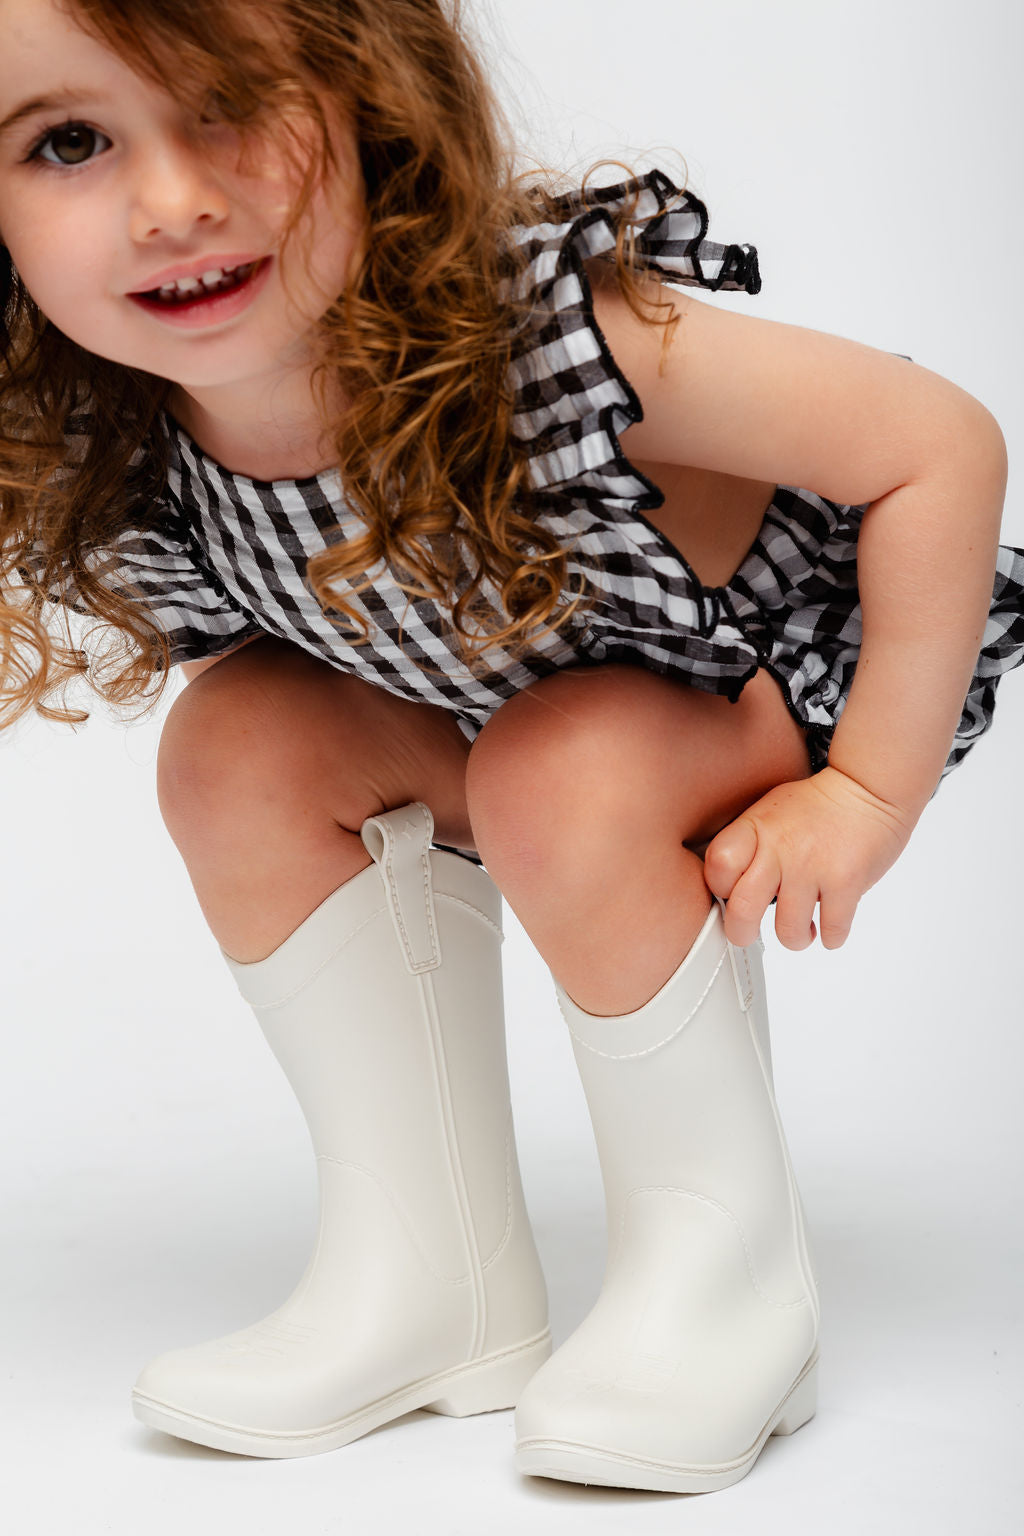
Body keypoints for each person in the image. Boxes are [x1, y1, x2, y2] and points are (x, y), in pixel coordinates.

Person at [1, 0, 1021, 1497]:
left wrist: (867, 787)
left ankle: (726, 1284)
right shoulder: (134, 425)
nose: (173, 204)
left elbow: (938, 444)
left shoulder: (551, 333)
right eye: (69, 142)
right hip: (512, 714)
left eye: (227, 111)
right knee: (241, 740)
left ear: (373, 109)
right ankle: (432, 1278)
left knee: (567, 762)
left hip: (743, 679)